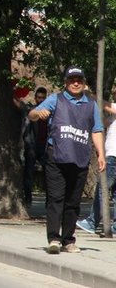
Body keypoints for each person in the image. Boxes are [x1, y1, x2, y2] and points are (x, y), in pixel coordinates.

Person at [29, 66, 105, 254]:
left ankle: (68, 240)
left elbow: (96, 130)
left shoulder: (91, 105)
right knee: (56, 199)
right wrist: (39, 114)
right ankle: (54, 239)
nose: (75, 83)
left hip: (80, 158)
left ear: (84, 83)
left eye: (79, 80)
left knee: (73, 202)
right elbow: (32, 115)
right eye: (72, 80)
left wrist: (101, 154)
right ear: (66, 82)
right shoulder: (56, 99)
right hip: (56, 157)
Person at [77, 91, 116, 234]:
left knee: (102, 189)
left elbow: (106, 105)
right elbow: (103, 123)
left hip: (113, 157)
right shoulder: (113, 115)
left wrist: (90, 95)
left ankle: (92, 222)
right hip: (111, 156)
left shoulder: (114, 108)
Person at [13, 86, 49, 205]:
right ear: (35, 98)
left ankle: (49, 201)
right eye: (39, 97)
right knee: (28, 174)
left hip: (45, 147)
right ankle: (28, 198)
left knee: (48, 175)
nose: (41, 100)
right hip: (31, 146)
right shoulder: (30, 110)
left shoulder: (50, 112)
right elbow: (20, 105)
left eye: (43, 98)